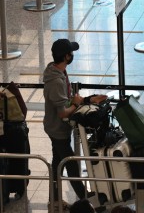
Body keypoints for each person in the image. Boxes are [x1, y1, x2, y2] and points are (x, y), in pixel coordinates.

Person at [42, 39, 108, 201]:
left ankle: (54, 198)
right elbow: (63, 112)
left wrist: (87, 100)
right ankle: (84, 198)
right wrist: (76, 104)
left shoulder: (59, 71)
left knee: (58, 162)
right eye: (71, 53)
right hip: (57, 130)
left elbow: (68, 99)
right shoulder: (56, 81)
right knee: (70, 163)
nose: (72, 55)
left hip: (57, 128)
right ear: (66, 57)